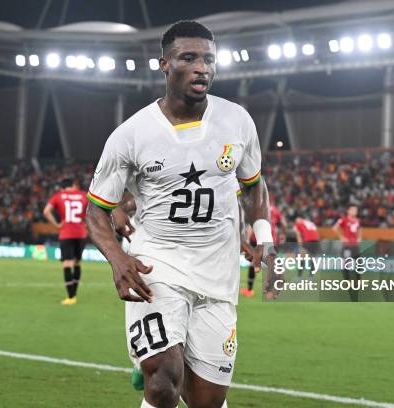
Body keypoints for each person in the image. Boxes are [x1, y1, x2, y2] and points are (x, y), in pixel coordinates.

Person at [85, 20, 272, 408]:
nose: (202, 67)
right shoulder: (131, 134)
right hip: (157, 266)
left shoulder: (237, 120)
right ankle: (154, 360)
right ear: (165, 65)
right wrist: (118, 258)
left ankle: (156, 357)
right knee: (164, 381)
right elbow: (96, 211)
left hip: (218, 276)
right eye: (189, 58)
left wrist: (263, 235)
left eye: (209, 59)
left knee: (207, 401)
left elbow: (254, 184)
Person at [43, 178, 88, 305]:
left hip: (66, 233)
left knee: (67, 263)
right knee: (77, 262)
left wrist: (57, 225)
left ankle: (70, 296)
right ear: (73, 185)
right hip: (81, 233)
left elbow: (46, 211)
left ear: (62, 188)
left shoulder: (59, 196)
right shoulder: (83, 195)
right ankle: (75, 293)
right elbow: (92, 211)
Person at [240, 196, 285, 297]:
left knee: (253, 263)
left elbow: (252, 226)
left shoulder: (257, 208)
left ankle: (249, 290)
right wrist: (282, 235)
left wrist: (247, 239)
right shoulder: (275, 210)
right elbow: (283, 224)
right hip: (270, 239)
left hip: (257, 239)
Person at [333, 205, 362, 301]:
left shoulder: (357, 220)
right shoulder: (344, 220)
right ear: (348, 211)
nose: (355, 211)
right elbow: (334, 228)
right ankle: (347, 283)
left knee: (359, 264)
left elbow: (359, 229)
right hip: (347, 246)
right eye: (353, 209)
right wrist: (341, 237)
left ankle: (358, 283)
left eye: (356, 210)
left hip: (355, 246)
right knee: (347, 265)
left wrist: (359, 238)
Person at [293, 213, 320, 279]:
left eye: (296, 220)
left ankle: (299, 277)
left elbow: (298, 235)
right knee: (313, 259)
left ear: (300, 219)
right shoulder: (311, 223)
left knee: (301, 258)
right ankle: (311, 277)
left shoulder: (298, 223)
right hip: (316, 240)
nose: (296, 221)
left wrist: (300, 245)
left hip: (308, 240)